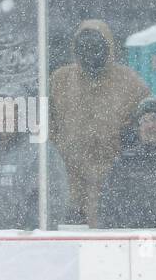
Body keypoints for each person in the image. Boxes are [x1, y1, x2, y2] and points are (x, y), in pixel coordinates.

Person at [49, 20, 149, 226]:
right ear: (75, 49)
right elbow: (47, 130)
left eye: (96, 46)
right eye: (83, 47)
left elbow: (146, 128)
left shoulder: (129, 82)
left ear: (109, 47)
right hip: (69, 185)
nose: (90, 52)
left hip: (115, 185)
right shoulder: (61, 80)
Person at [0, 89, 70, 230]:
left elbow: (53, 203)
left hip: (25, 245)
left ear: (22, 116)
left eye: (10, 111)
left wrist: (26, 234)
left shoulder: (40, 152)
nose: (4, 117)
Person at [99, 98, 156, 229]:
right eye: (144, 121)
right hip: (133, 240)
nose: (150, 125)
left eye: (155, 118)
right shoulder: (125, 163)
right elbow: (109, 209)